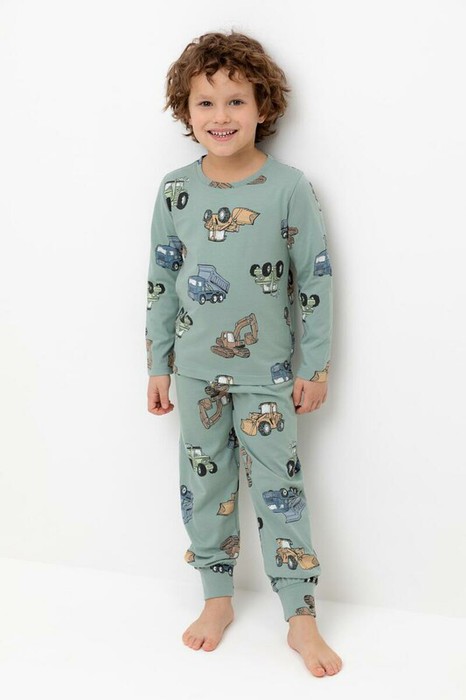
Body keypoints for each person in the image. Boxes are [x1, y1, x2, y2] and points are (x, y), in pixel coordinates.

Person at [145, 30, 342, 677]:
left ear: (263, 107)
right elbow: (160, 281)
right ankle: (216, 598)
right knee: (205, 486)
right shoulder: (175, 191)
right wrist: (157, 364)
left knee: (281, 488)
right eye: (205, 103)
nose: (221, 116)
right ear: (186, 111)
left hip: (268, 375)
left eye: (236, 101)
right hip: (194, 372)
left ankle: (300, 615)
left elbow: (315, 281)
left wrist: (315, 366)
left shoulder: (288, 188)